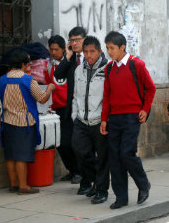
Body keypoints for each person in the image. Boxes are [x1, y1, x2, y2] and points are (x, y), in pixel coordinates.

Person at [100, 31, 156, 209]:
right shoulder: (108, 68)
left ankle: (143, 183)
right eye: (107, 48)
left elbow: (151, 88)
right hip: (113, 118)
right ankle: (121, 197)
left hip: (132, 116)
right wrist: (104, 119)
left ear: (122, 47)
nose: (109, 51)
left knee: (126, 153)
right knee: (115, 159)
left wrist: (145, 109)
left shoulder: (136, 64)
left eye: (112, 48)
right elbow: (107, 95)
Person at [0, 50, 55, 194]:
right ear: (23, 64)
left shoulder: (2, 79)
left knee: (10, 155)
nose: (30, 65)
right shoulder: (28, 80)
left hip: (7, 121)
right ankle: (23, 186)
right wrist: (49, 88)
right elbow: (42, 99)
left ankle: (13, 184)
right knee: (21, 156)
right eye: (28, 62)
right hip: (24, 123)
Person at [71, 36, 109, 204]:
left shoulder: (108, 68)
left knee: (103, 157)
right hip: (81, 120)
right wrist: (75, 115)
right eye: (85, 52)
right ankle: (96, 180)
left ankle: (101, 190)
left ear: (99, 51)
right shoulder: (79, 69)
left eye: (92, 51)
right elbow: (75, 95)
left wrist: (106, 119)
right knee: (80, 151)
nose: (88, 55)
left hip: (100, 120)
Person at [54, 27, 87, 184]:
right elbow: (58, 75)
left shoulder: (91, 57)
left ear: (84, 39)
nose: (74, 43)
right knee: (64, 142)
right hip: (71, 108)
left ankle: (84, 174)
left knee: (82, 145)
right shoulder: (71, 59)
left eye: (77, 40)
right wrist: (67, 56)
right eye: (72, 40)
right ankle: (74, 170)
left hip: (88, 108)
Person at [45, 35, 79, 182]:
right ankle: (72, 170)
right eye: (51, 49)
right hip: (56, 109)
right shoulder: (48, 66)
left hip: (69, 108)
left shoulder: (71, 63)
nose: (53, 52)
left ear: (63, 48)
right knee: (59, 143)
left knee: (70, 142)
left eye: (56, 49)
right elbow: (48, 87)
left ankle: (80, 171)